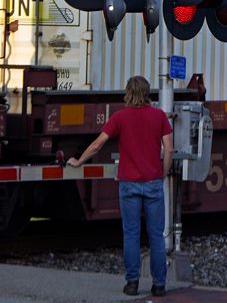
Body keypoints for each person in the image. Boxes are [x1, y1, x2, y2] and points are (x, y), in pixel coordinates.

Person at [68, 75, 173, 297]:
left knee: (131, 234)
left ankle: (132, 283)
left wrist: (78, 161)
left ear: (128, 93)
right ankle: (159, 285)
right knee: (156, 235)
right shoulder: (159, 116)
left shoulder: (120, 117)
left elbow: (98, 144)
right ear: (147, 93)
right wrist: (162, 173)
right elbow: (169, 149)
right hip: (153, 183)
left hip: (129, 185)